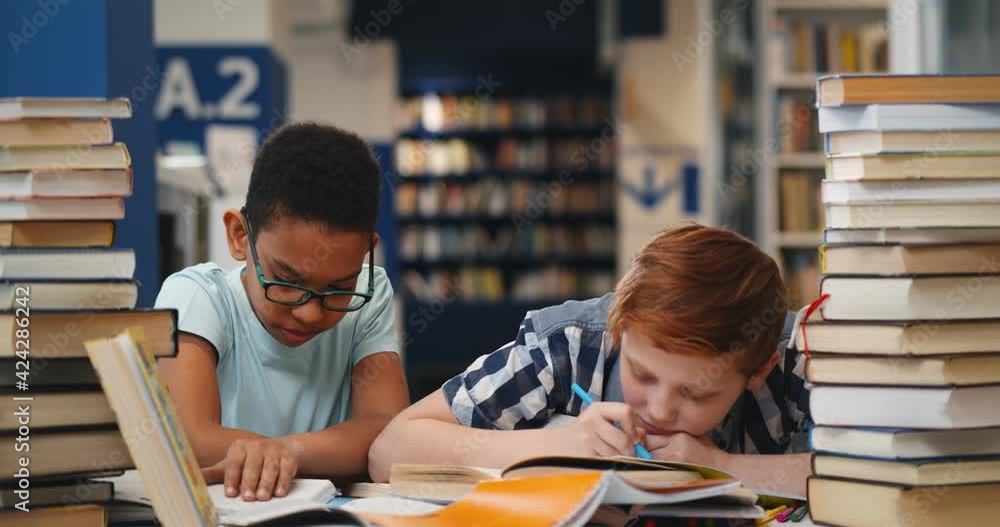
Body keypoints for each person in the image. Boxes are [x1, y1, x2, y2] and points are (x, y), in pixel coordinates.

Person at [369, 224, 811, 496]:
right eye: (643, 373)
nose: (659, 410)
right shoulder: (568, 344)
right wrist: (555, 447)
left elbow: (879, 481)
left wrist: (725, 468)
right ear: (619, 328)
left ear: (760, 371)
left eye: (696, 393)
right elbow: (390, 452)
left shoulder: (802, 360)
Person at [156, 123, 409, 501]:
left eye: (339, 288)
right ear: (240, 237)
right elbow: (189, 438)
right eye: (287, 282)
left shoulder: (371, 295)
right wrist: (313, 452)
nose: (309, 314)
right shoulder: (195, 296)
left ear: (367, 253)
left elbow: (388, 433)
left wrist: (285, 452)